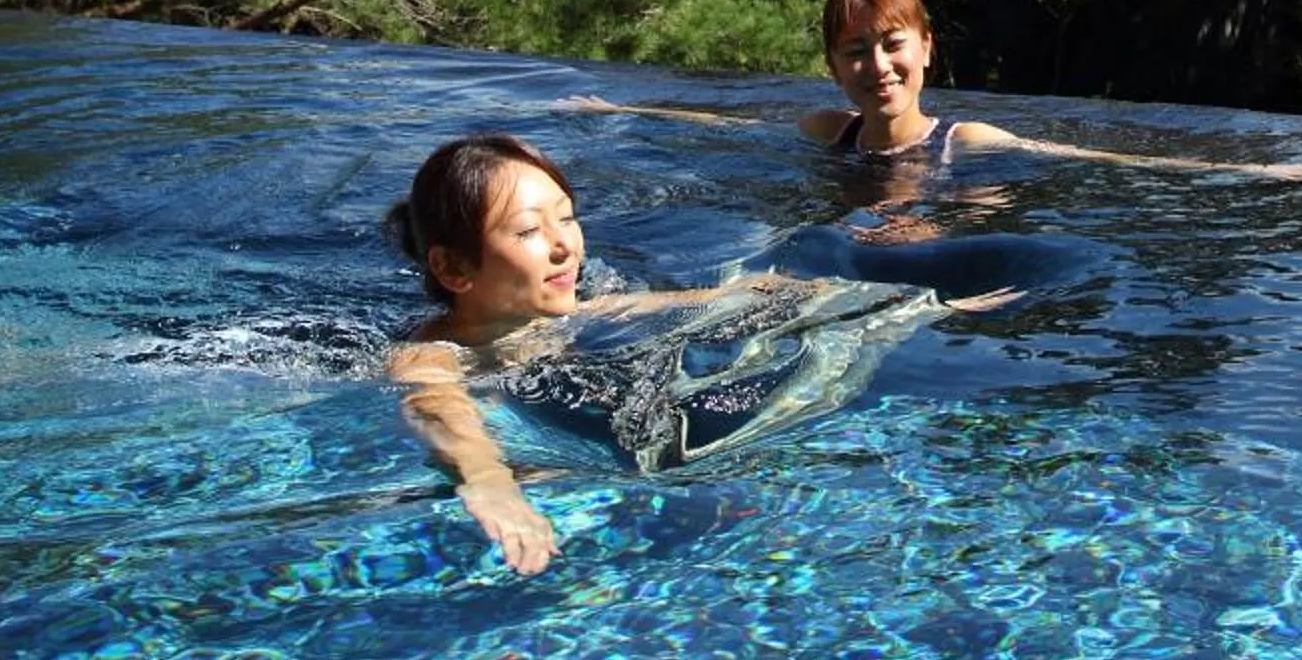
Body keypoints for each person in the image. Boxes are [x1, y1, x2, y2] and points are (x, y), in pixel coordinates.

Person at [382, 131, 1011, 573]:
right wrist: (491, 483)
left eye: (567, 219)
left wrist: (914, 299)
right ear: (454, 269)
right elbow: (440, 410)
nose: (564, 247)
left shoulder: (588, 311)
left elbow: (726, 299)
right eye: (527, 231)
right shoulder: (430, 355)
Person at [557, 0, 1302, 179]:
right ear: (833, 68)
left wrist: (1266, 170)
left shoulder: (965, 140)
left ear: (926, 47)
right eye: (855, 52)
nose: (877, 66)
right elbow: (729, 128)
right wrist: (620, 109)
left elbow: (1104, 162)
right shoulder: (825, 132)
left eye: (891, 43)